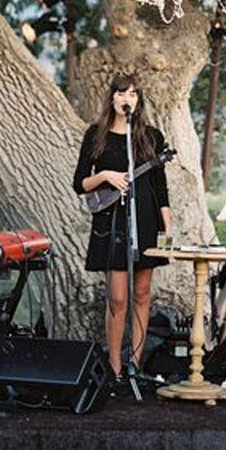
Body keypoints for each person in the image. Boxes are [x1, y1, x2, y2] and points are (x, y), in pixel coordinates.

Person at [73, 74, 172, 380]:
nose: (126, 99)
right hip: (111, 220)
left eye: (132, 94)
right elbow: (79, 183)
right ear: (112, 98)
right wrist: (105, 176)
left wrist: (167, 229)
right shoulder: (96, 134)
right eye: (120, 93)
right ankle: (113, 366)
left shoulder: (151, 136)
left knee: (142, 294)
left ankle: (135, 365)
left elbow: (160, 186)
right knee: (117, 298)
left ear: (138, 101)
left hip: (144, 219)